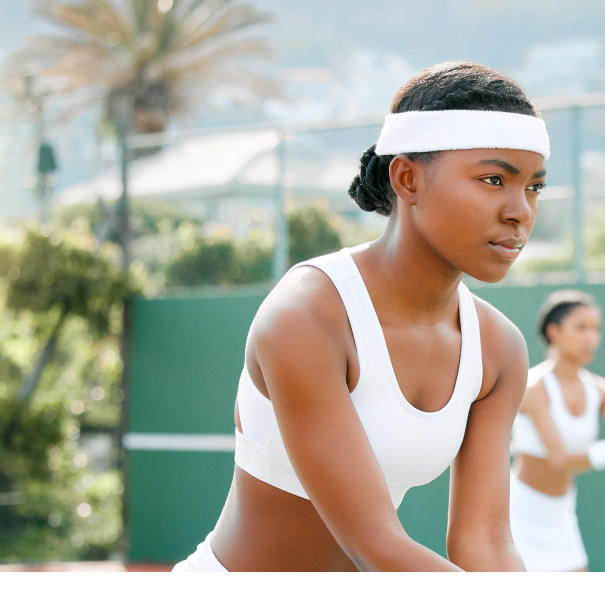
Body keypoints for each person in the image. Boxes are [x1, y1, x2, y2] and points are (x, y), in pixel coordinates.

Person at [172, 62, 549, 571]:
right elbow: (374, 544)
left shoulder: (499, 349)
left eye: (534, 187)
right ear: (408, 179)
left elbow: (485, 540)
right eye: (493, 179)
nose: (519, 210)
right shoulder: (306, 315)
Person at [508, 290, 605, 571]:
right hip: (518, 513)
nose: (592, 338)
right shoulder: (533, 388)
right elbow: (560, 459)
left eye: (596, 329)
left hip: (562, 511)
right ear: (553, 331)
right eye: (581, 328)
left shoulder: (601, 390)